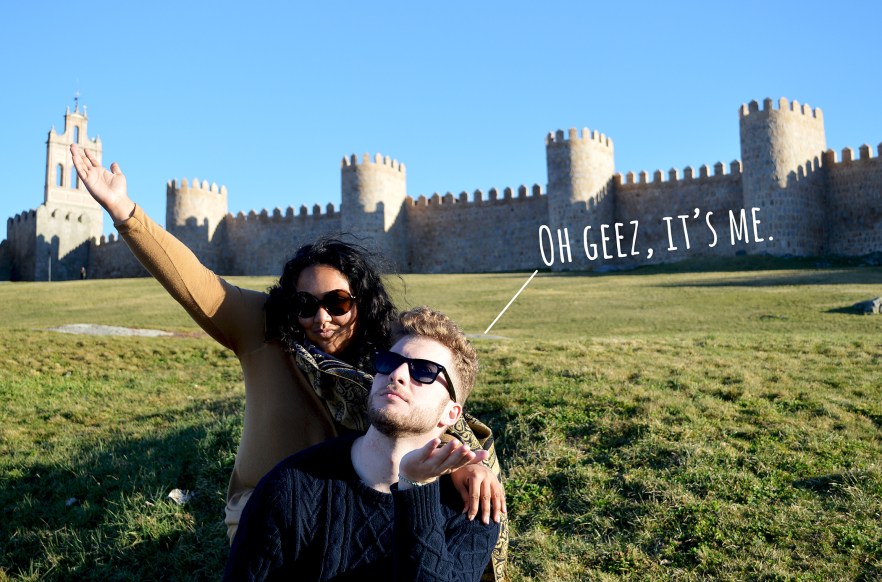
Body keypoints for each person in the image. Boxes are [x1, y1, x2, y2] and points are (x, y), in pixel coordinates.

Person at [69, 144, 508, 579]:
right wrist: (124, 210)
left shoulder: (383, 356)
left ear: (362, 302)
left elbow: (435, 400)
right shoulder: (264, 331)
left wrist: (470, 463)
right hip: (268, 512)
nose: (321, 317)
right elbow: (194, 283)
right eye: (305, 303)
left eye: (337, 302)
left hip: (353, 507)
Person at [224, 307, 499, 581]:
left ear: (451, 413)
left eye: (424, 371)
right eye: (389, 362)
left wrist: (416, 488)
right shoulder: (291, 487)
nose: (397, 374)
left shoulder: (473, 508)